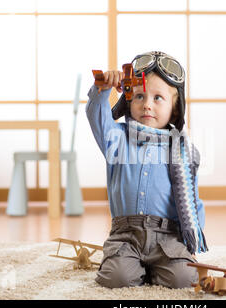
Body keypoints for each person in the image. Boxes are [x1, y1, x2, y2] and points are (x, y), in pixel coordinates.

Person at [86, 51, 208, 289]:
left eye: (158, 98)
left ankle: (159, 267)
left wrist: (191, 244)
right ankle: (133, 266)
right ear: (129, 100)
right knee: (116, 278)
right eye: (139, 96)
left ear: (174, 109)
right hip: (126, 236)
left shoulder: (182, 151)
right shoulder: (116, 138)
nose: (147, 105)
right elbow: (95, 115)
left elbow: (193, 200)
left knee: (183, 279)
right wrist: (103, 89)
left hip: (167, 237)